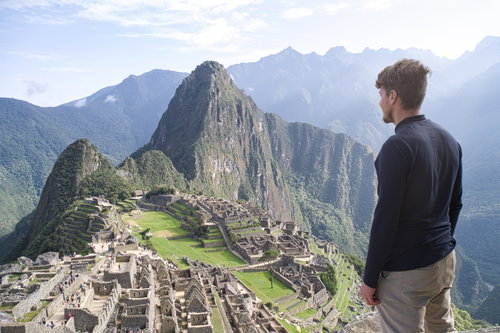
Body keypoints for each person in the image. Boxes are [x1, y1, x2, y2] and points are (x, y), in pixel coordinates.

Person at [360, 59, 463, 332]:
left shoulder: (397, 147)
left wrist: (370, 279)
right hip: (443, 261)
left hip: (407, 273)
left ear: (393, 96)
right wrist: (438, 245)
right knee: (442, 328)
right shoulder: (449, 140)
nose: (380, 100)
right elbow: (455, 204)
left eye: (381, 94)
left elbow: (386, 219)